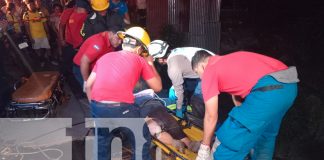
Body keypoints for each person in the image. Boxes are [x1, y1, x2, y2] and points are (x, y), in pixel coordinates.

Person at [191, 50, 299, 160]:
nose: (200, 78)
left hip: (269, 89)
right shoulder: (227, 61)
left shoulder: (210, 70)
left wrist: (204, 149)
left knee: (232, 140)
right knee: (265, 137)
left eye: (197, 72)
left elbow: (210, 116)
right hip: (289, 87)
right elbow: (236, 95)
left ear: (202, 66)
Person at [85, 26, 162, 160]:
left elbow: (89, 85)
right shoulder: (140, 60)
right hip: (121, 108)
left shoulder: (104, 57)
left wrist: (96, 108)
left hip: (98, 107)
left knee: (102, 144)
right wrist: (150, 63)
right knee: (141, 139)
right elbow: (158, 87)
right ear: (139, 49)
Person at [148, 40, 214, 118]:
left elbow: (180, 93)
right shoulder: (175, 52)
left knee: (197, 101)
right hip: (209, 63)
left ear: (160, 59)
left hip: (211, 72)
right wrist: (174, 86)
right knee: (188, 90)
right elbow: (183, 68)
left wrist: (179, 111)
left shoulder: (173, 68)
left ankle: (201, 124)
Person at [23, 0, 53, 67]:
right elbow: (27, 27)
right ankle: (42, 60)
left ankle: (50, 59)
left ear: (34, 5)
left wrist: (48, 33)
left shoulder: (40, 13)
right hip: (34, 35)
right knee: (38, 50)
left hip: (43, 33)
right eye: (29, 5)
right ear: (27, 6)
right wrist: (30, 37)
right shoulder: (26, 15)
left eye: (32, 4)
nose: (31, 6)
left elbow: (45, 23)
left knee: (48, 48)